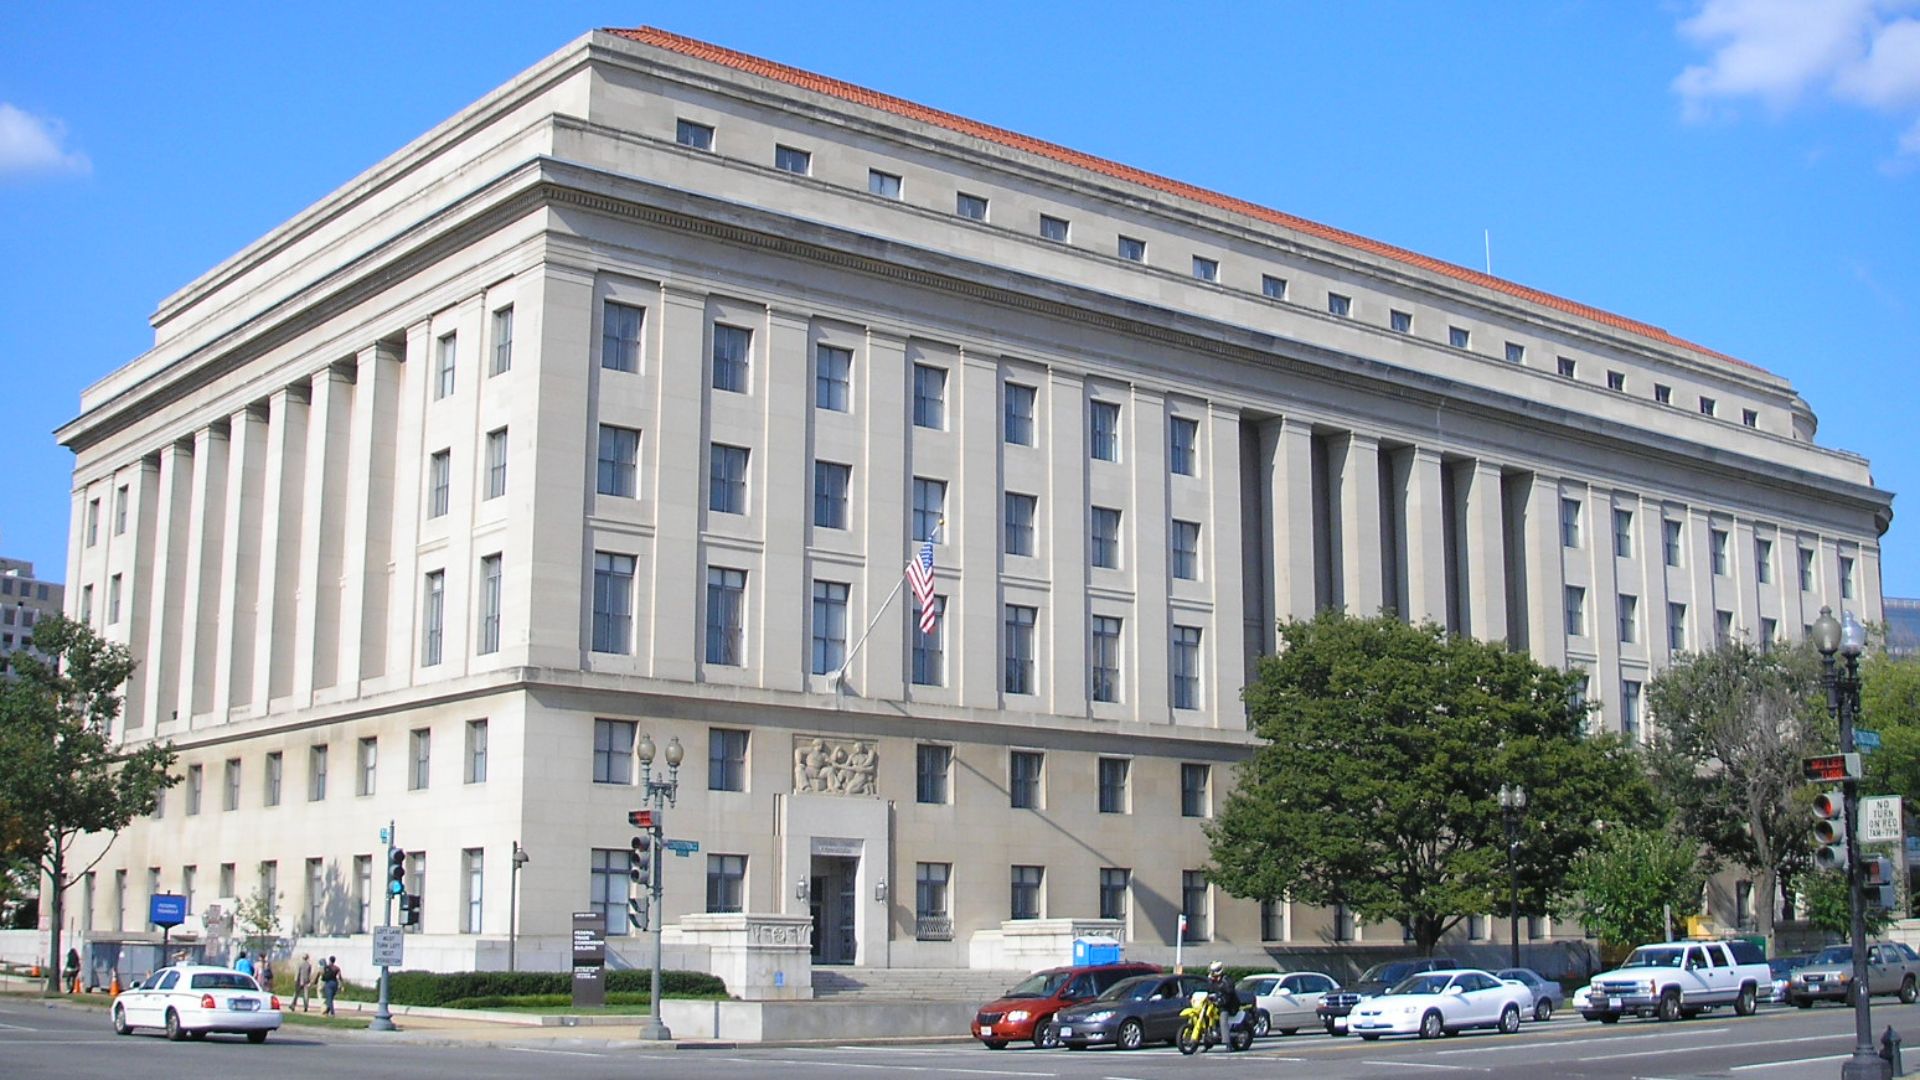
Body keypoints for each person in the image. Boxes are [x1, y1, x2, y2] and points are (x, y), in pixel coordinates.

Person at [1205, 961, 1242, 1048]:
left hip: (1229, 1005)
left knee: (1223, 1019)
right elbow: (1208, 990)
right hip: (1217, 1004)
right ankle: (1207, 1041)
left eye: (1213, 971)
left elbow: (1229, 992)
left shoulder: (1226, 980)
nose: (1211, 973)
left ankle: (1227, 1043)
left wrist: (1221, 999)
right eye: (1211, 971)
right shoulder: (1212, 981)